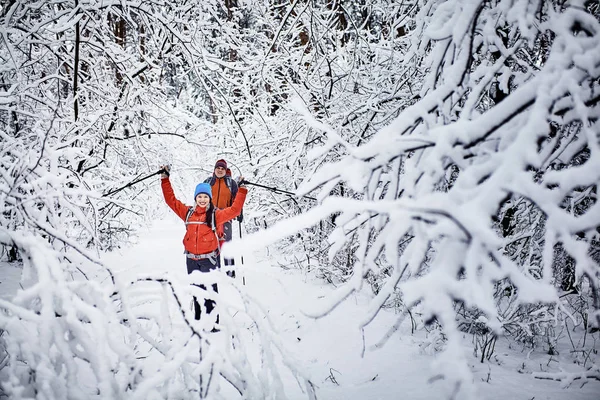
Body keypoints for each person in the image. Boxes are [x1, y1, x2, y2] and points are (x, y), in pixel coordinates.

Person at [160, 165, 247, 329]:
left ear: (210, 198)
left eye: (205, 197)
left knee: (210, 293)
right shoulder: (187, 213)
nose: (202, 199)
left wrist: (242, 190)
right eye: (199, 196)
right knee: (196, 291)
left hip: (209, 260)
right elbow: (170, 201)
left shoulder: (215, 215)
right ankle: (199, 323)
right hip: (191, 260)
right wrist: (165, 179)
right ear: (195, 198)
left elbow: (235, 210)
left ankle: (213, 324)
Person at [204, 159, 243, 278]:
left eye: (222, 169)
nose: (220, 170)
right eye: (218, 168)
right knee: (211, 244)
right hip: (210, 217)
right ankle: (215, 271)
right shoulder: (208, 182)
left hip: (226, 216)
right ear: (214, 169)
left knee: (226, 245)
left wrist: (240, 213)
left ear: (225, 171)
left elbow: (237, 200)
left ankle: (230, 272)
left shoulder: (231, 183)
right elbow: (201, 198)